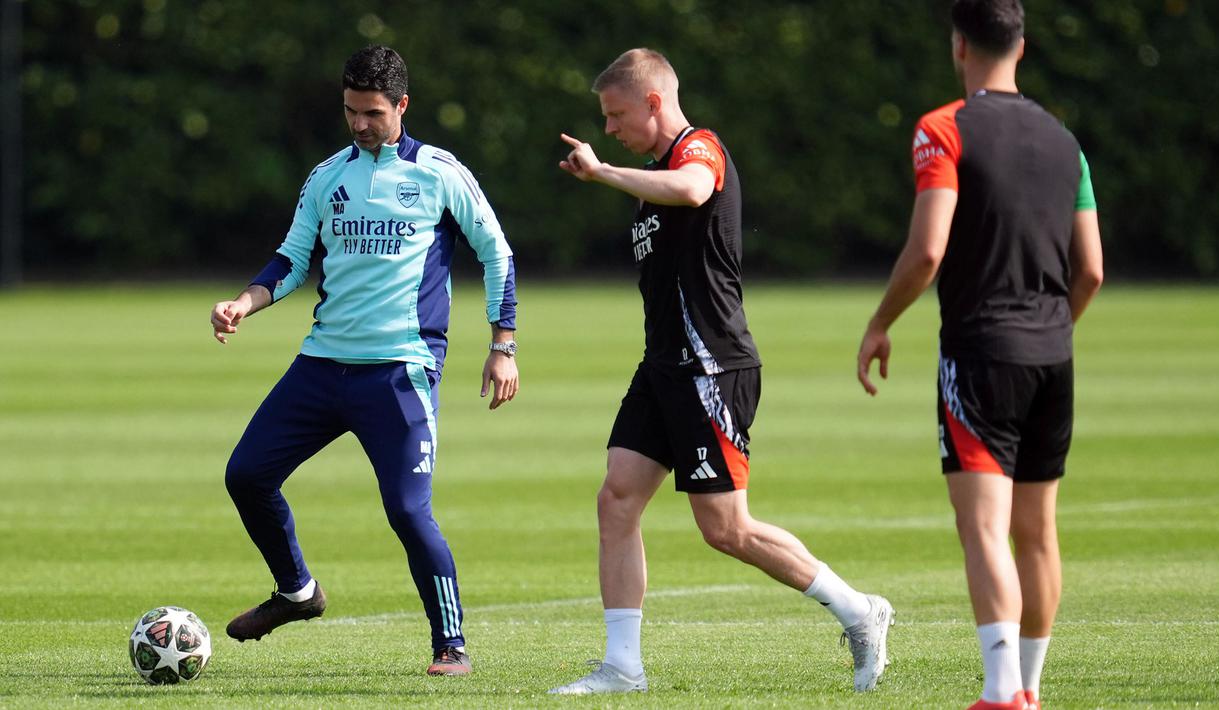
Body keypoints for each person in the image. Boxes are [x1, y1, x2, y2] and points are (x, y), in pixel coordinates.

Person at [550, 48, 894, 696]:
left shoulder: (697, 149)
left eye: (616, 114)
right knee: (617, 497)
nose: (609, 129)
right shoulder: (651, 181)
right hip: (663, 367)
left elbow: (693, 189)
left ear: (653, 102)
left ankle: (858, 610)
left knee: (725, 529)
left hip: (711, 365)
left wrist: (602, 173)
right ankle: (622, 668)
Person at [210, 45, 519, 677]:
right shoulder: (327, 177)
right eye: (350, 111)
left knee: (408, 511)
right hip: (322, 367)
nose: (358, 124)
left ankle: (450, 644)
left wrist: (502, 345)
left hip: (400, 372)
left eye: (372, 113)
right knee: (245, 475)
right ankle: (297, 592)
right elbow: (292, 258)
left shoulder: (439, 172)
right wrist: (243, 302)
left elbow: (498, 253)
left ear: (402, 106)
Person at [856, 2, 1104, 708]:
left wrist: (880, 322)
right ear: (1020, 47)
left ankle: (999, 695)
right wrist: (1053, 329)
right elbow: (1090, 270)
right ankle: (1029, 689)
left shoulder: (943, 129)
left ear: (958, 46)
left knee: (984, 529)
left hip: (980, 354)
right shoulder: (1066, 144)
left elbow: (928, 247)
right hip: (1052, 356)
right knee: (1036, 531)